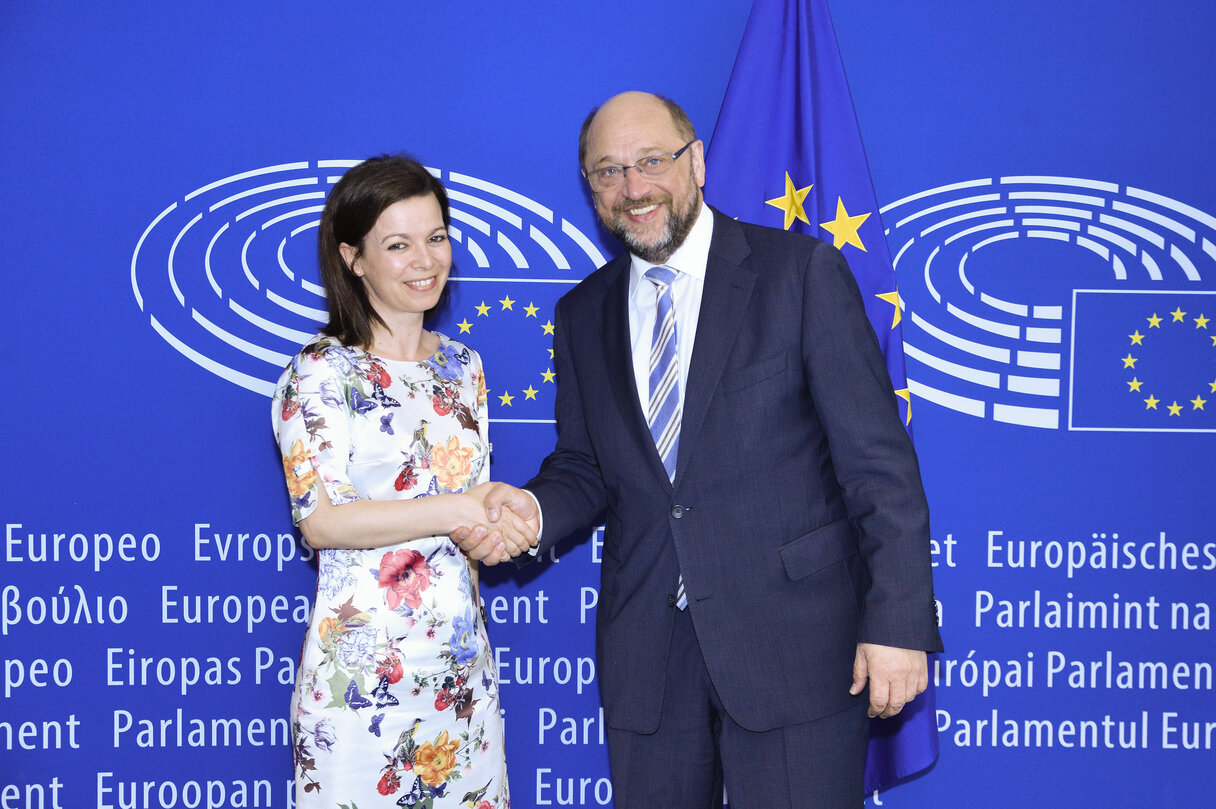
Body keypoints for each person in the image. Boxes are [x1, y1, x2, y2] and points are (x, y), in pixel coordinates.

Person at [456, 92, 943, 808]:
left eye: (651, 161)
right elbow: (589, 467)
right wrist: (528, 509)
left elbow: (879, 466)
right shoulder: (582, 312)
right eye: (608, 171)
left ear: (699, 162)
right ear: (590, 188)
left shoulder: (799, 274)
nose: (633, 187)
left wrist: (898, 626)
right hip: (649, 659)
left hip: (796, 650)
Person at [272, 155, 530, 808]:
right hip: (362, 687)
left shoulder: (463, 366)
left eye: (436, 237)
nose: (426, 259)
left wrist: (499, 513)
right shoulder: (318, 373)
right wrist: (455, 506)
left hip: (460, 682)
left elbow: (469, 512)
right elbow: (323, 521)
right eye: (398, 244)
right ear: (353, 257)